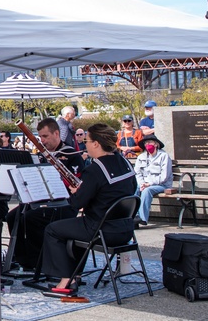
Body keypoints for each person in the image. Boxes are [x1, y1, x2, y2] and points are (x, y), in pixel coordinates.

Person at [40, 123, 137, 294]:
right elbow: (128, 190)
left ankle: (65, 278)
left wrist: (76, 192)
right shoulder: (124, 162)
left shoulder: (95, 169)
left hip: (101, 229)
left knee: (52, 230)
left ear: (97, 144)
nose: (85, 144)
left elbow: (77, 204)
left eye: (87, 141)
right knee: (73, 230)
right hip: (125, 229)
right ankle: (75, 275)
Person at [5, 118, 83, 270]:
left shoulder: (71, 154)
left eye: (46, 136)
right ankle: (22, 258)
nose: (42, 140)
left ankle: (38, 262)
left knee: (31, 218)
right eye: (40, 137)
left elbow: (76, 181)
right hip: (42, 199)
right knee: (12, 216)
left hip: (64, 203)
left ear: (56, 133)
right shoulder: (42, 154)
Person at [133, 133, 172, 227]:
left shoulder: (164, 156)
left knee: (147, 191)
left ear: (156, 144)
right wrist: (142, 183)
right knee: (134, 189)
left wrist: (149, 184)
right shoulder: (141, 157)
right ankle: (132, 216)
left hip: (161, 185)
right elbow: (137, 173)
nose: (147, 144)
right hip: (144, 183)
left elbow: (164, 177)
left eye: (150, 142)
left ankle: (142, 218)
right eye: (145, 143)